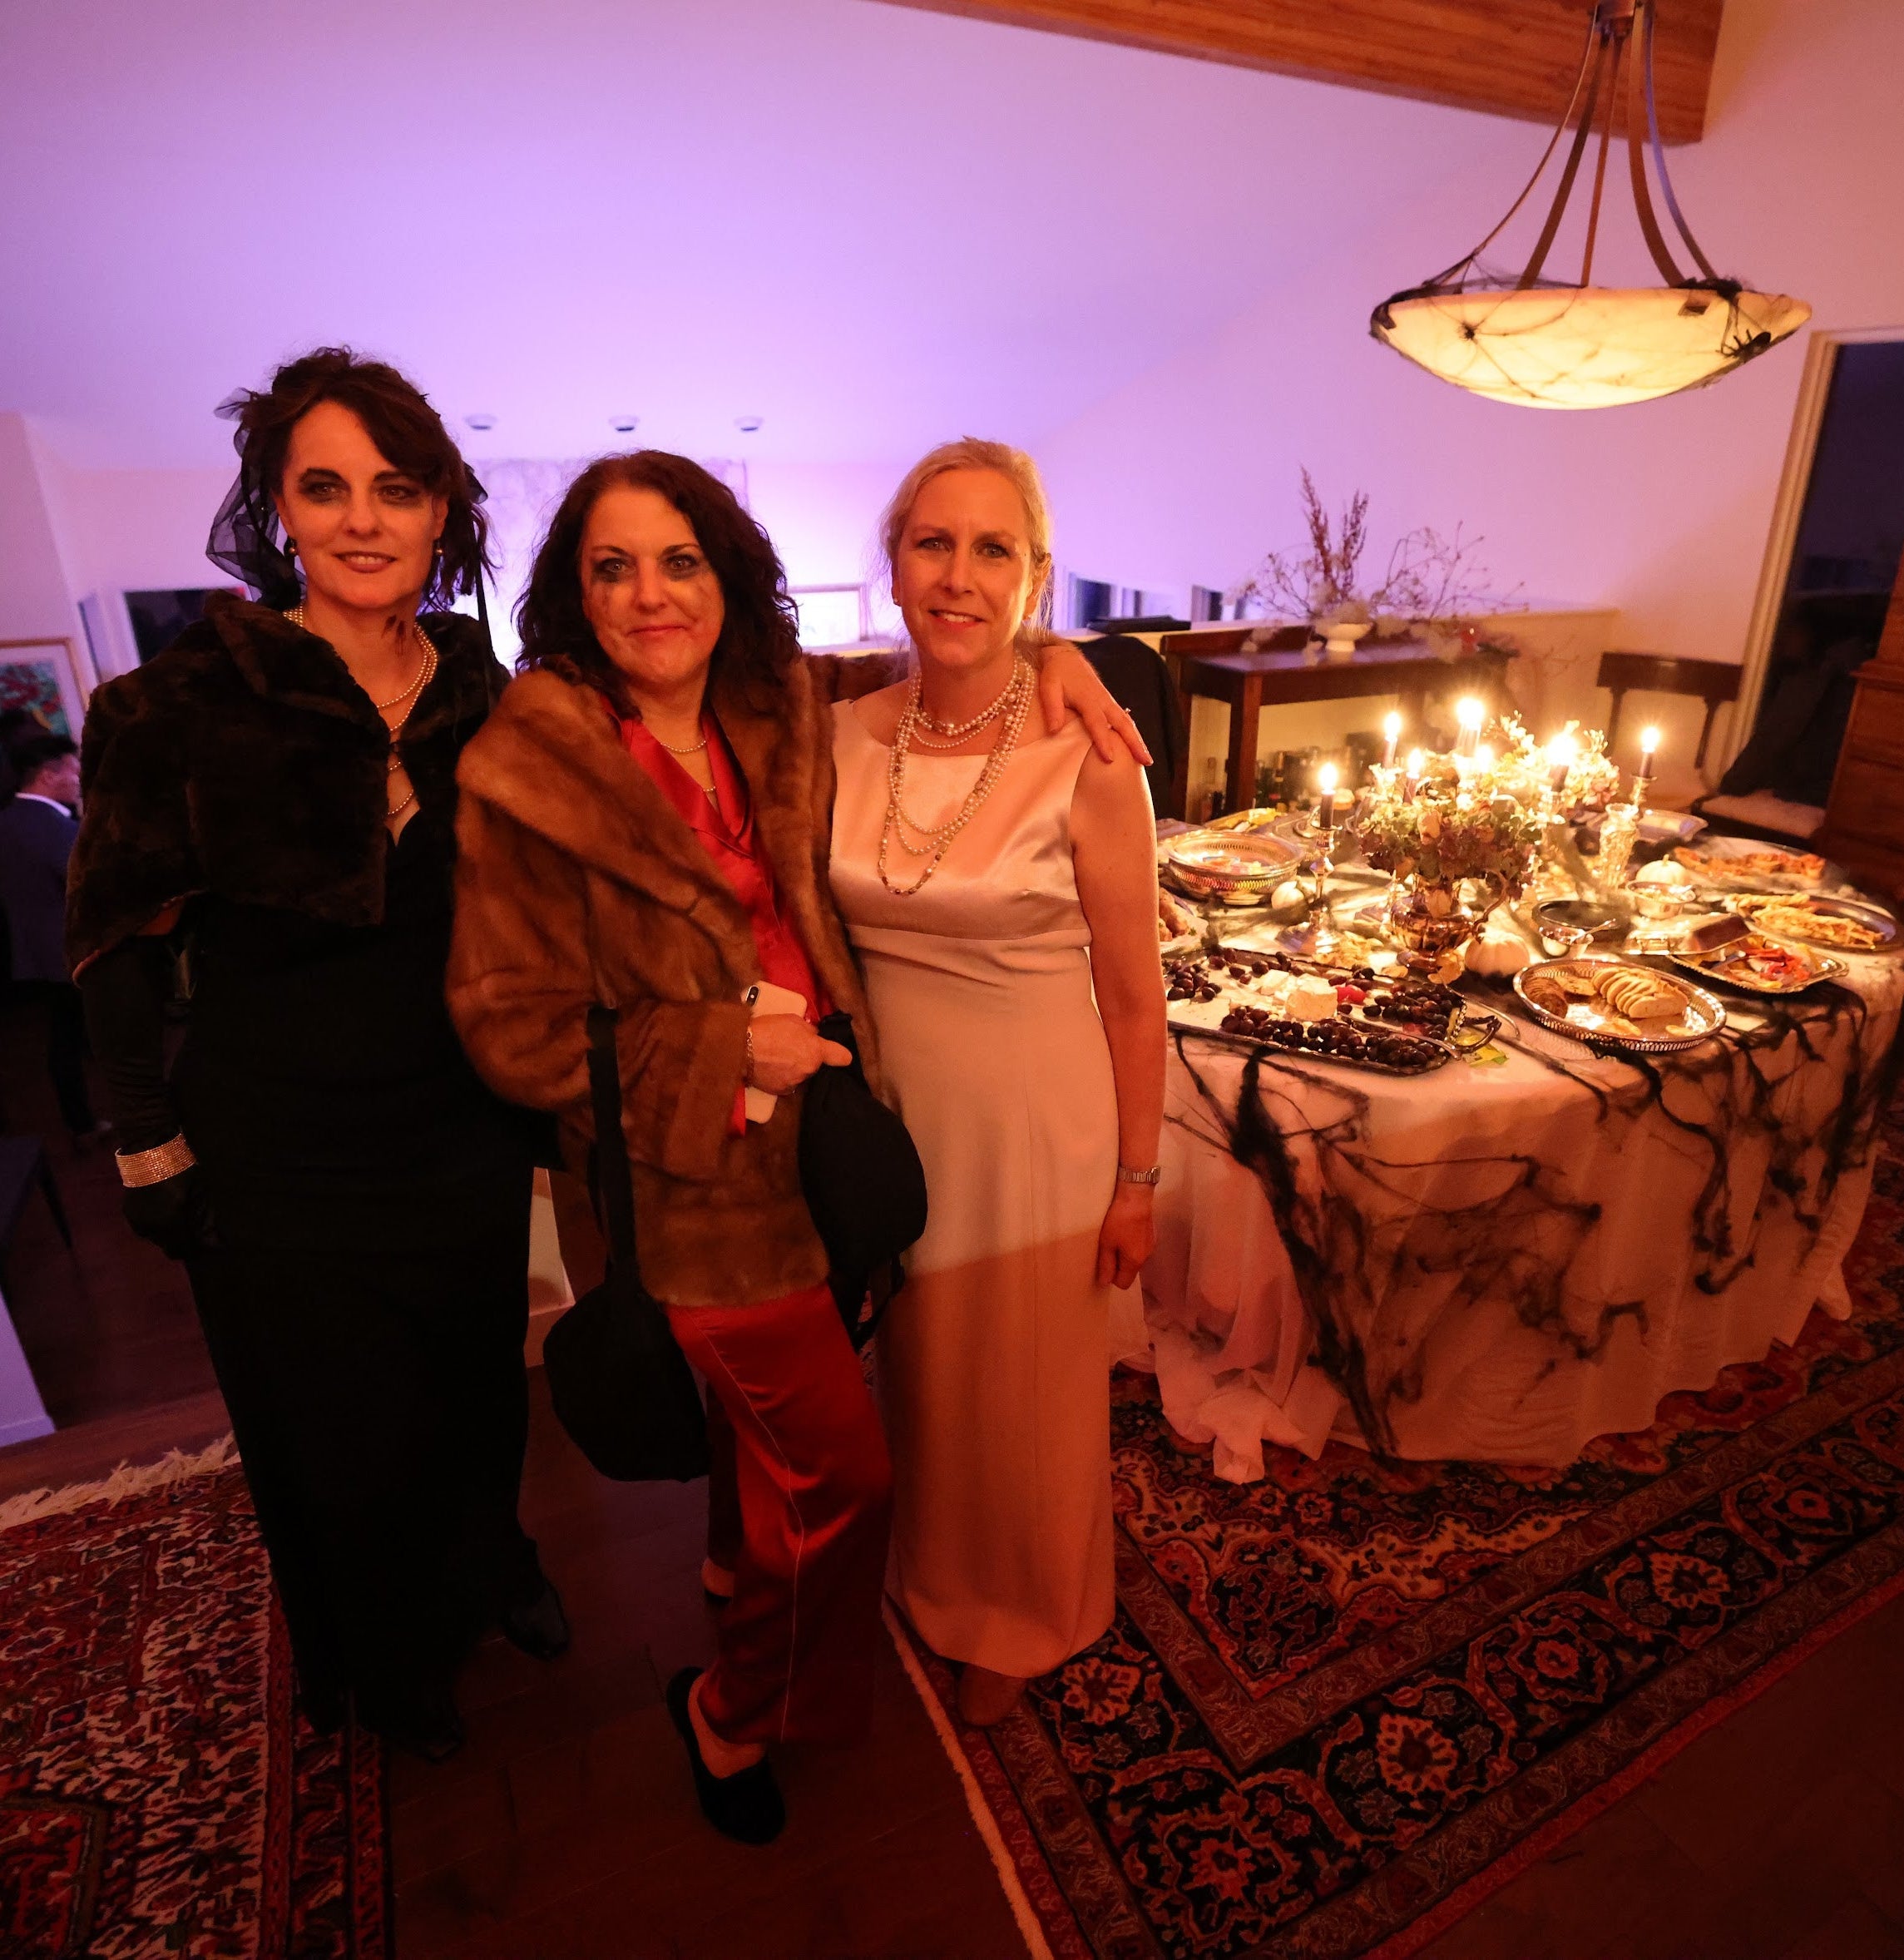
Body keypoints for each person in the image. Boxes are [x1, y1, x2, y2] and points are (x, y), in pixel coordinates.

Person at [446, 448, 1147, 1842]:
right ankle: (729, 1712)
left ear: (729, 579)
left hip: (828, 1162)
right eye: (612, 566)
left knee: (790, 1455)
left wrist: (1062, 650)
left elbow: (959, 655)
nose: (651, 596)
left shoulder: (777, 709)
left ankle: (745, 1585)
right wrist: (717, 1049)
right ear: (571, 593)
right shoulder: (533, 767)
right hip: (693, 1191)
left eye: (681, 561)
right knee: (842, 1471)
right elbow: (508, 1028)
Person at [67, 348, 564, 1762]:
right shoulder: (174, 709)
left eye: (395, 489)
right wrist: (148, 1145)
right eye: (325, 487)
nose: (362, 519)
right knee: (338, 1441)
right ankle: (381, 1660)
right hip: (279, 1152)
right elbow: (112, 935)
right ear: (277, 511)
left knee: (475, 1387)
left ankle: (491, 1569)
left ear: (439, 513)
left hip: (457, 1126)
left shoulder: (486, 688)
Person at [828, 439, 1166, 1727]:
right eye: (933, 543)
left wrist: (1138, 1179)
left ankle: (1038, 1610)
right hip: (904, 1126)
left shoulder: (1090, 756)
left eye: (993, 550)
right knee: (931, 1382)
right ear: (894, 564)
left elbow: (1138, 1002)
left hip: (1039, 1126)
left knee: (1027, 1397)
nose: (958, 576)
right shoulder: (844, 732)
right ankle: (940, 1578)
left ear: (1034, 577)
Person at [0, 732, 107, 1146]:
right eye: (75, 768)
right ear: (49, 774)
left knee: (66, 1037)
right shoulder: (47, 824)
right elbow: (87, 885)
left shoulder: (8, 819)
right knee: (79, 1038)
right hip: (69, 950)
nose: (80, 776)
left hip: (35, 951)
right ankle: (87, 1124)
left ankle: (81, 1121)